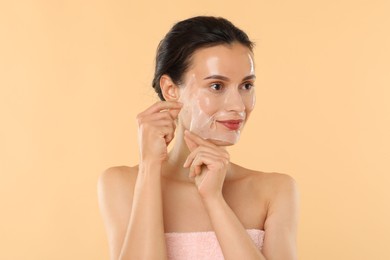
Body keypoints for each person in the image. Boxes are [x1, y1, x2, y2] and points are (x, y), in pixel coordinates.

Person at [97, 16, 299, 260]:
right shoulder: (121, 184)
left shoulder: (274, 190)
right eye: (216, 86)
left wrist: (214, 200)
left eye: (246, 85)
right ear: (171, 90)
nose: (238, 106)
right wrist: (149, 167)